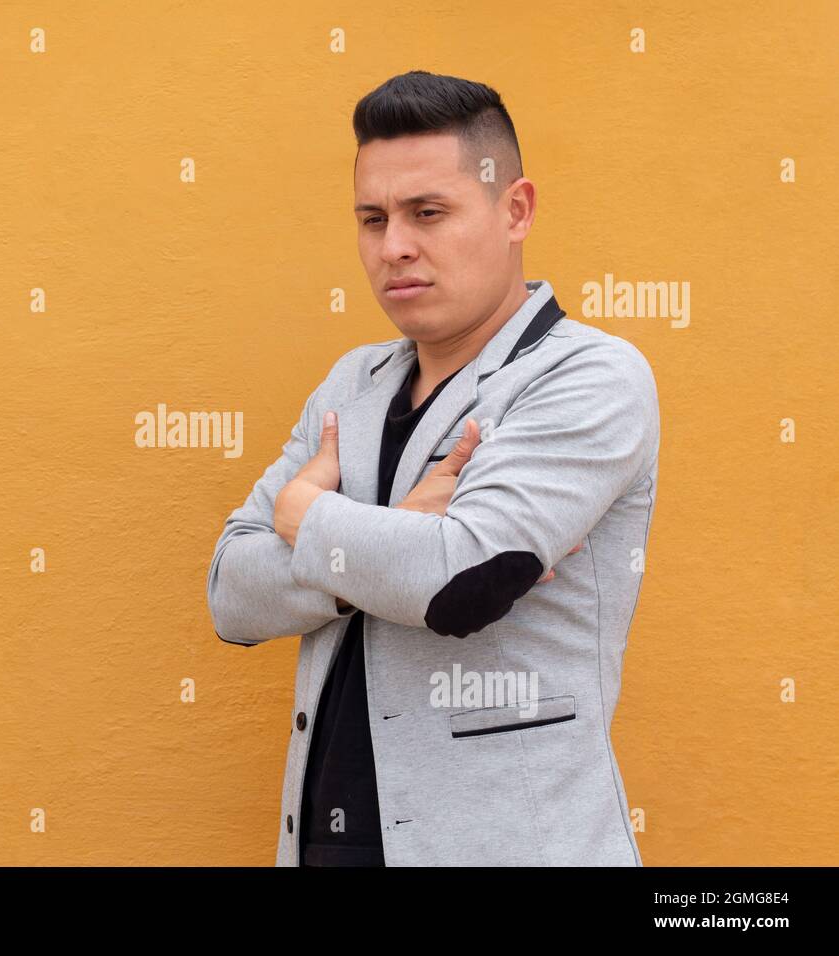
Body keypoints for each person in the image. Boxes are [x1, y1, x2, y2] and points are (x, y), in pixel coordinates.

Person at [206, 71, 659, 866]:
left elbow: (459, 584)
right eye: (372, 219)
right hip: (323, 843)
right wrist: (389, 547)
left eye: (428, 213)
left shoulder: (590, 376)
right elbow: (232, 594)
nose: (395, 248)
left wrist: (303, 518)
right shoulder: (351, 383)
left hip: (509, 847)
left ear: (514, 209)